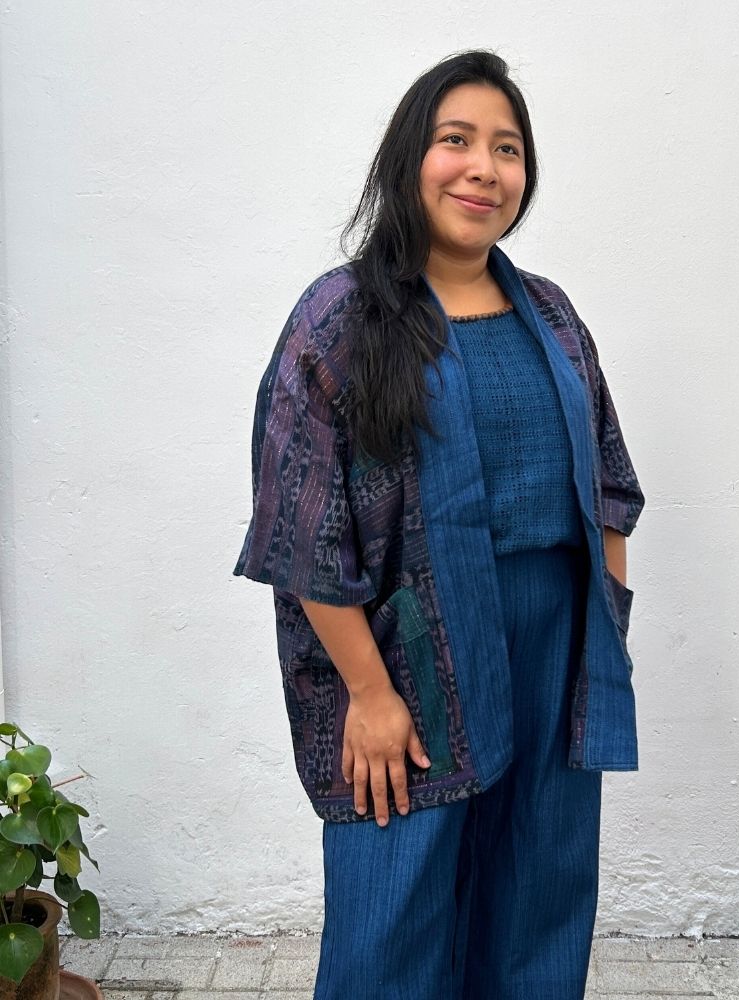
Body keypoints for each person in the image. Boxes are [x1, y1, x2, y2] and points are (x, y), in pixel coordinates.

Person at [234, 49, 644, 1000]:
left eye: (507, 149)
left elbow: (611, 485)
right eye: (456, 140)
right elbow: (300, 533)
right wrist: (369, 696)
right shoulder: (341, 320)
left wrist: (604, 628)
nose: (484, 168)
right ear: (409, 157)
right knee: (398, 908)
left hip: (553, 642)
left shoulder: (552, 314)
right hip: (405, 654)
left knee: (536, 894)